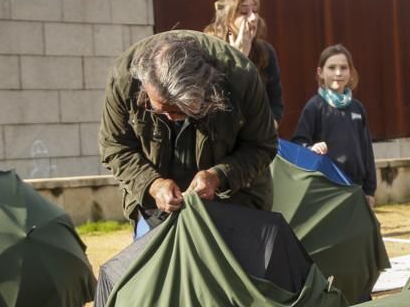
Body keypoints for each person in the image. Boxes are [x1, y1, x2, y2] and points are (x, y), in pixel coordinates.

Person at [98, 30, 278, 227]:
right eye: (159, 110)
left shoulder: (242, 78)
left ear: (207, 90)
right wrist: (152, 185)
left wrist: (219, 176)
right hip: (154, 209)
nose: (169, 118)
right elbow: (114, 147)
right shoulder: (124, 79)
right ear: (144, 86)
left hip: (234, 202)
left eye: (179, 112)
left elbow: (262, 145)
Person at [291, 45, 378, 209]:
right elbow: (298, 145)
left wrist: (370, 190)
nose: (338, 73)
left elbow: (367, 151)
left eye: (343, 68)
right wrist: (311, 148)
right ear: (320, 73)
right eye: (331, 68)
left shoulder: (358, 108)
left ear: (350, 73)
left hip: (355, 188)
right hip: (326, 189)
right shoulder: (314, 107)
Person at [203, 0, 284, 126]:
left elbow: (276, 103)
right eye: (244, 12)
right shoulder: (208, 49)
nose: (253, 18)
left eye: (255, 11)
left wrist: (269, 126)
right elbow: (214, 99)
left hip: (256, 133)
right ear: (227, 19)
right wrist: (239, 57)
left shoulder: (265, 51)